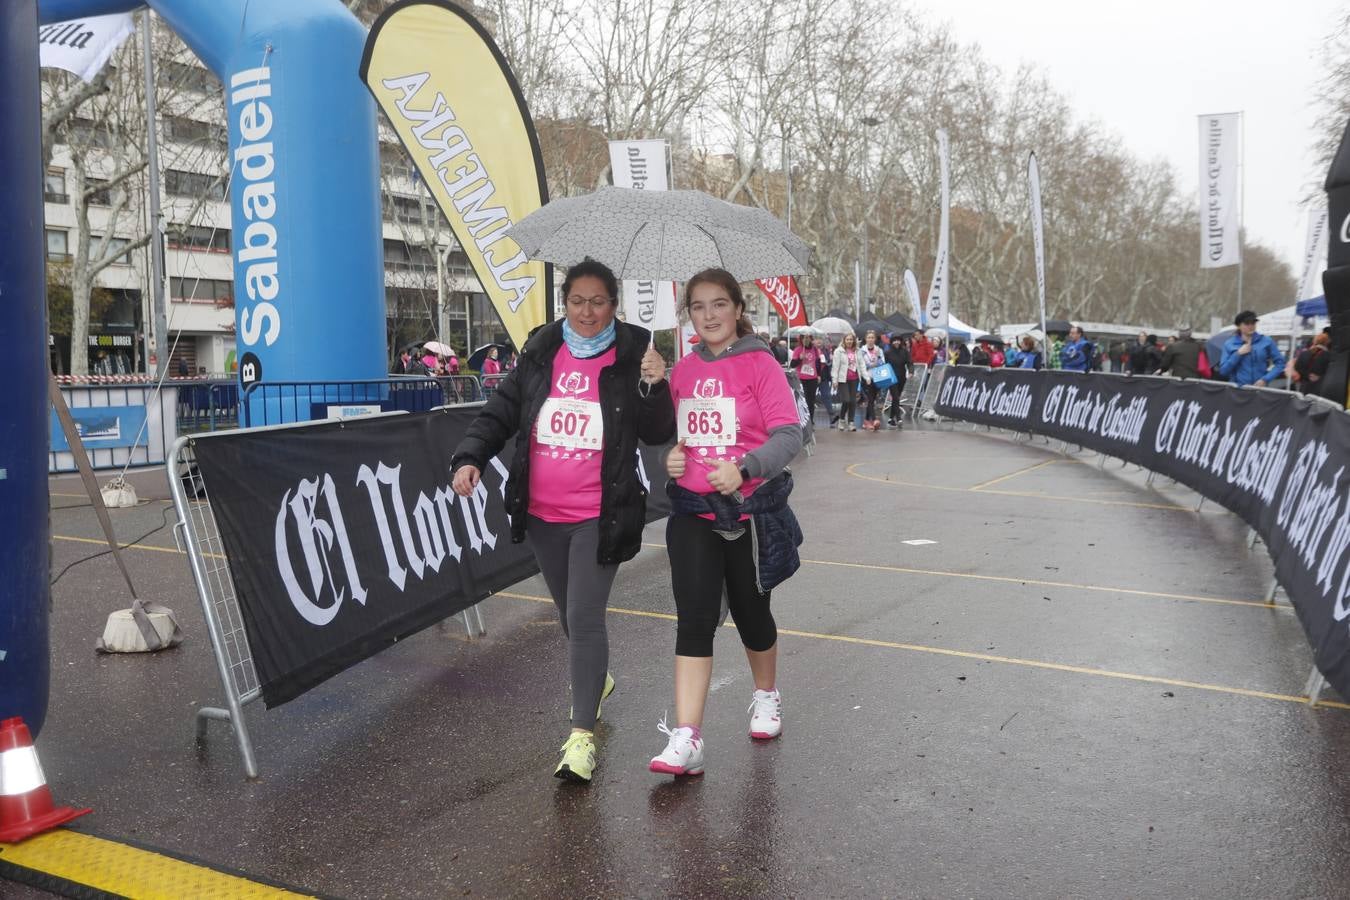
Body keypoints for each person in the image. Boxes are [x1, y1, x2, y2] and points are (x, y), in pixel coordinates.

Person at [449, 260, 673, 784]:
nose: (588, 311)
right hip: (543, 512)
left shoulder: (634, 354)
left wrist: (656, 385)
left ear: (614, 305)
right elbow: (500, 414)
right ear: (565, 304)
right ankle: (597, 677)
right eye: (578, 301)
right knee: (571, 619)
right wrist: (470, 457)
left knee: (585, 617)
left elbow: (658, 431)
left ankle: (580, 738)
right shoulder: (540, 352)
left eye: (599, 302)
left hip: (601, 512)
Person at [651, 268, 804, 777]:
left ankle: (765, 695)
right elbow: (670, 437)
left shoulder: (761, 364)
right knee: (694, 619)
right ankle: (688, 737)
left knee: (751, 612)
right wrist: (670, 456)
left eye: (719, 304)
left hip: (748, 510)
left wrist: (743, 468)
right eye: (699, 306)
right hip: (693, 511)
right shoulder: (682, 371)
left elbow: (789, 436)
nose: (710, 315)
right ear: (689, 314)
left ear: (738, 309)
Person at [1218, 310, 1286, 387]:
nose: (1251, 326)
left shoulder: (1266, 341)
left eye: (1253, 323)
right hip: (1238, 391)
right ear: (1238, 326)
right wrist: (1238, 354)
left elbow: (1280, 363)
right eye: (1247, 323)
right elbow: (1223, 371)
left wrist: (1265, 379)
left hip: (1260, 390)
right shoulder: (1229, 344)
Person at [789, 334, 827, 422]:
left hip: (812, 378)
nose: (806, 340)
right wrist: (799, 358)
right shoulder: (798, 350)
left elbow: (818, 363)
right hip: (801, 378)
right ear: (801, 339)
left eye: (808, 338)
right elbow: (792, 365)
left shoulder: (815, 349)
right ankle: (802, 419)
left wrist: (819, 375)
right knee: (803, 399)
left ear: (810, 339)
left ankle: (810, 420)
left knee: (811, 400)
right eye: (804, 338)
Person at [831, 332, 862, 431]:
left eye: (851, 339)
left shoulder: (857, 351)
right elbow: (835, 367)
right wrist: (834, 380)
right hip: (843, 380)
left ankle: (851, 422)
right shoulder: (839, 351)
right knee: (846, 400)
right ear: (844, 340)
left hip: (854, 379)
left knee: (853, 401)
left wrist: (866, 377)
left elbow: (861, 364)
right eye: (847, 339)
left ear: (854, 341)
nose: (849, 341)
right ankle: (841, 419)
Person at [858, 330, 886, 430]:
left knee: (872, 400)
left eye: (872, 338)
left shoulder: (879, 350)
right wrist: (870, 365)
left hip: (877, 377)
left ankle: (866, 421)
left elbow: (883, 363)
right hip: (866, 377)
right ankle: (874, 420)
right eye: (869, 337)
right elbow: (860, 364)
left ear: (875, 339)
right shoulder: (861, 350)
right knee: (870, 399)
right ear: (866, 339)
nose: (870, 339)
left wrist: (878, 357)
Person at [884, 333, 911, 427]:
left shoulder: (905, 352)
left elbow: (909, 362)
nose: (896, 342)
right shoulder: (887, 352)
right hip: (891, 377)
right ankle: (898, 418)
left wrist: (911, 371)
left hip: (902, 377)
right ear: (891, 342)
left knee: (896, 398)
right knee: (895, 397)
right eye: (894, 340)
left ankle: (891, 418)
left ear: (900, 341)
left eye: (898, 340)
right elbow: (884, 365)